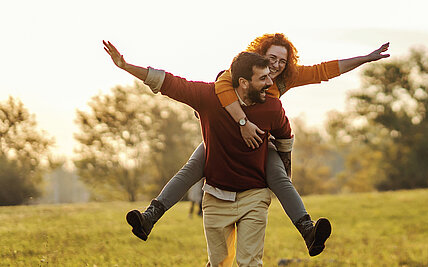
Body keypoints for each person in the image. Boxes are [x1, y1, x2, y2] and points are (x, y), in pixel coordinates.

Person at [126, 33, 390, 256]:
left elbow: (326, 70)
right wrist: (242, 122)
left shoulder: (283, 80)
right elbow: (215, 86)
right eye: (272, 58)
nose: (275, 66)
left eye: (282, 61)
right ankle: (150, 217)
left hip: (263, 143)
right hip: (223, 137)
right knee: (191, 168)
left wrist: (366, 58)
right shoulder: (236, 74)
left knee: (280, 177)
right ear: (260, 56)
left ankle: (308, 231)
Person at [104, 40, 288, 266]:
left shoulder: (270, 106)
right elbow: (167, 82)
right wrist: (126, 66)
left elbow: (285, 137)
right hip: (216, 197)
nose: (270, 83)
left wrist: (283, 173)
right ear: (243, 82)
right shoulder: (208, 96)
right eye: (263, 78)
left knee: (250, 263)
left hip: (254, 196)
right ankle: (152, 214)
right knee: (218, 263)